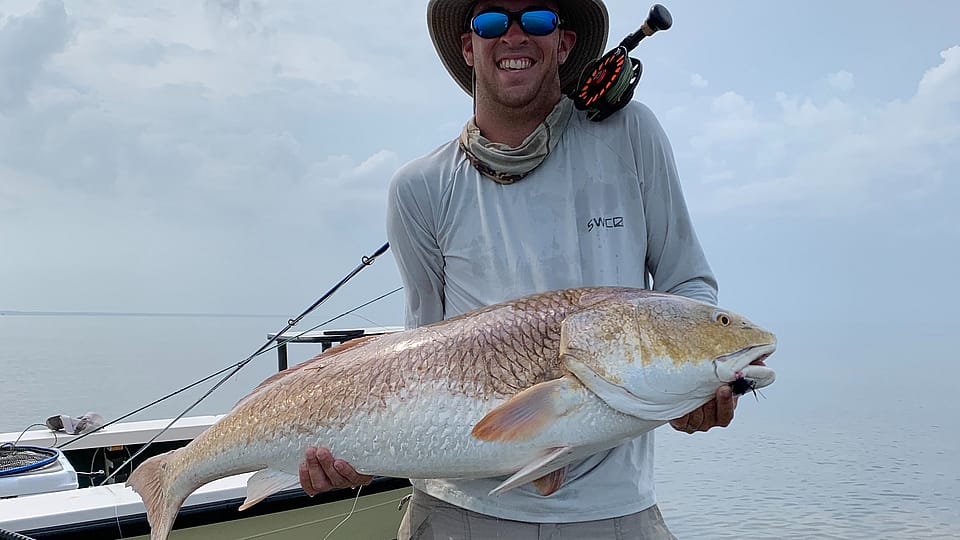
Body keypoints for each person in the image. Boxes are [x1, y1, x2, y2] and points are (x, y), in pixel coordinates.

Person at [300, 0, 738, 537]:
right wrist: (359, 451)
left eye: (536, 19)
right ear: (468, 46)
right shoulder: (418, 188)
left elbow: (688, 285)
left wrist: (695, 383)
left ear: (565, 43)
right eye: (490, 21)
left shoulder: (631, 135)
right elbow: (418, 351)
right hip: (457, 509)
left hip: (614, 510)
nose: (513, 36)